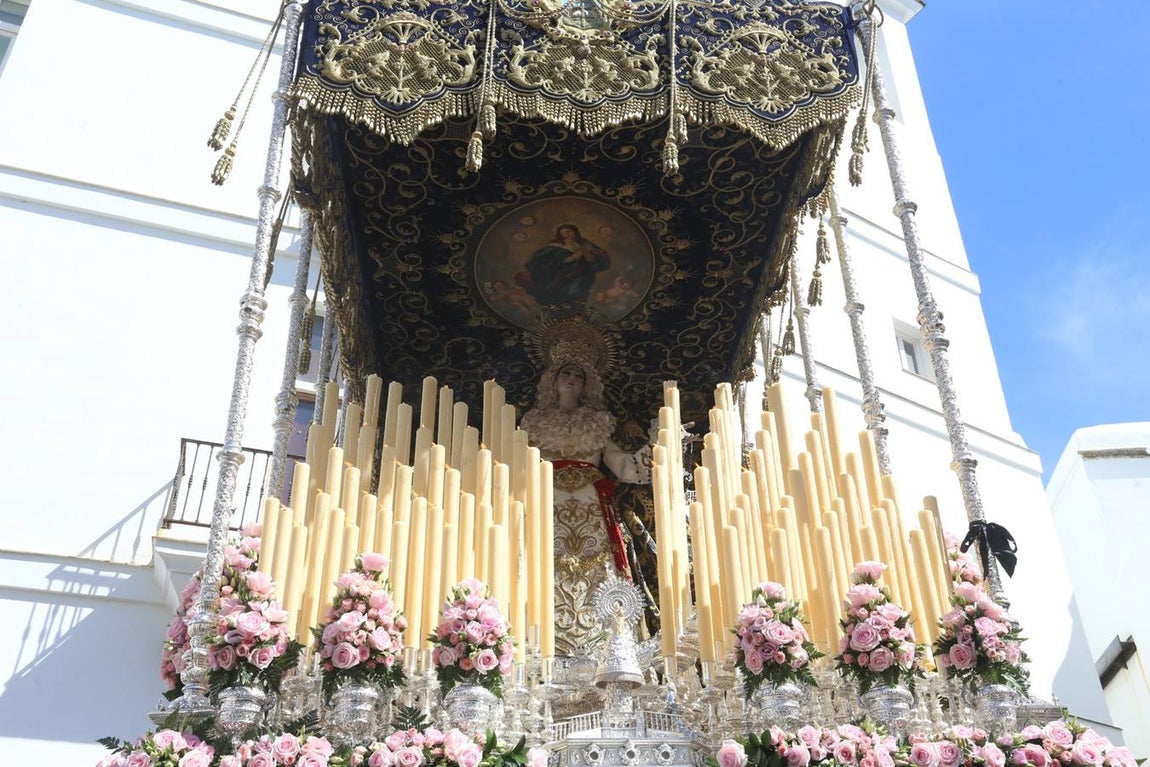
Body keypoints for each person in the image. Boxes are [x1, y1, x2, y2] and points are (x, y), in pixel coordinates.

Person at [519, 356, 644, 659]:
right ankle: (540, 644)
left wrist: (657, 448)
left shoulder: (598, 422)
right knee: (543, 563)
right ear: (553, 381)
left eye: (578, 374)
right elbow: (516, 466)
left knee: (598, 569)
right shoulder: (533, 423)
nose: (571, 378)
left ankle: (605, 647)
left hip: (591, 508)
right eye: (565, 373)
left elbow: (623, 466)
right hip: (547, 503)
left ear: (587, 385)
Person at [517, 224, 610, 307]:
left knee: (576, 293)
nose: (567, 234)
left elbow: (599, 258)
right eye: (563, 233)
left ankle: (577, 314)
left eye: (569, 231)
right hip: (559, 275)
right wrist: (573, 257)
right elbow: (547, 260)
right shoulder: (555, 245)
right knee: (560, 295)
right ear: (560, 235)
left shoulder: (585, 244)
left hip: (581, 274)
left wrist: (589, 256)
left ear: (575, 232)